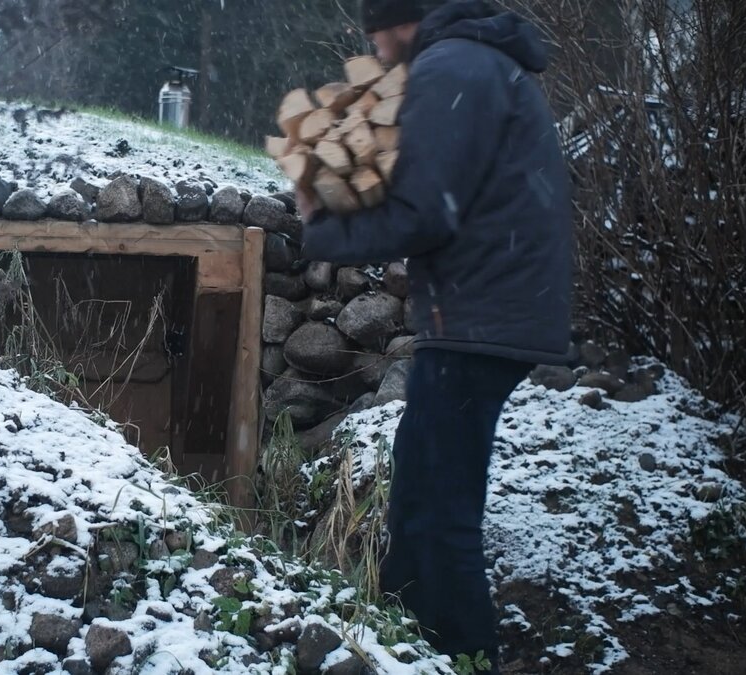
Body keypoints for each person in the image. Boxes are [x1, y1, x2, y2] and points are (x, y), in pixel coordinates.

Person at [297, 0, 574, 671]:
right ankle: (407, 644)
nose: (375, 49)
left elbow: (426, 212)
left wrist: (322, 227)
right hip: (491, 311)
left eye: (374, 32)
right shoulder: (474, 62)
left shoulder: (453, 66)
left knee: (439, 516)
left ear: (396, 20)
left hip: (482, 318)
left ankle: (462, 657)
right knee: (421, 492)